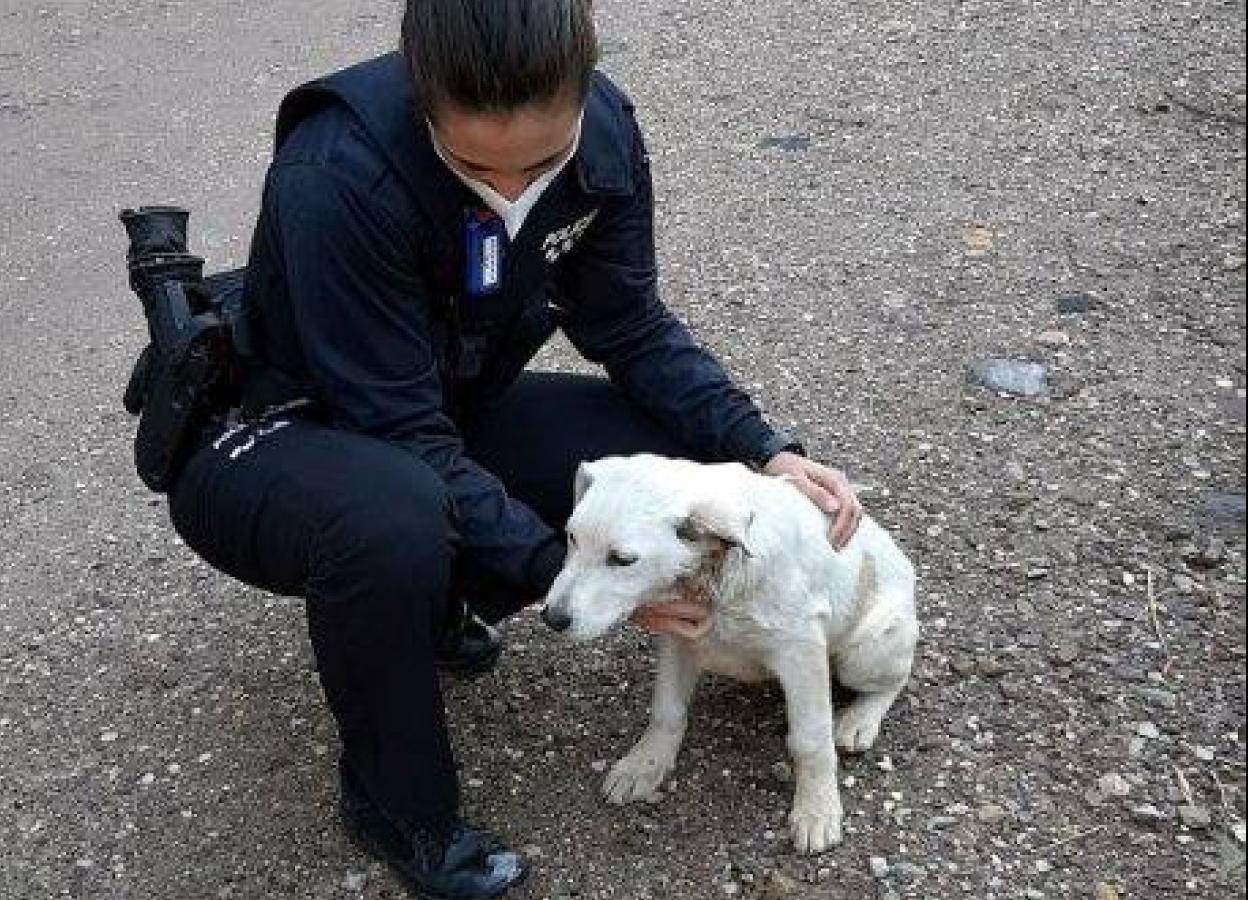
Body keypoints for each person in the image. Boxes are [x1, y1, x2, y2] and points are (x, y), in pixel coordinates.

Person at [167, 1, 862, 897]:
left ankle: (439, 605)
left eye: (540, 164)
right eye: (471, 166)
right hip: (280, 436)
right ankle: (396, 805)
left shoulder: (604, 132)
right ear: (420, 98)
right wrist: (558, 573)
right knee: (390, 521)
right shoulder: (334, 174)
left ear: (582, 93)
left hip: (436, 407)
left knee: (662, 468)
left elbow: (629, 322)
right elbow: (401, 432)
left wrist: (763, 448)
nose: (506, 187)